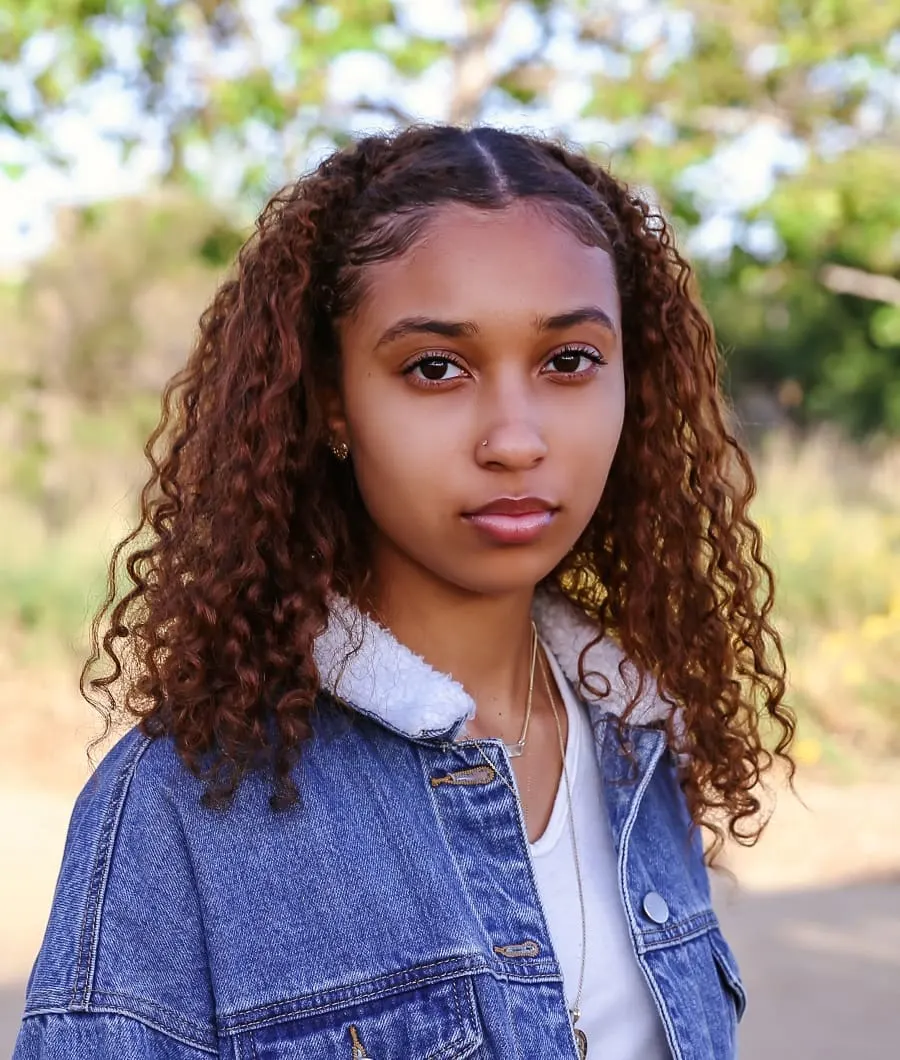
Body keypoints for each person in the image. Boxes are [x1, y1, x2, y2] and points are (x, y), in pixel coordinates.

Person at [14, 124, 793, 1060]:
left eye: (569, 361)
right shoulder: (183, 806)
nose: (515, 438)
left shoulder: (640, 745)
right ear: (334, 399)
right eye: (436, 368)